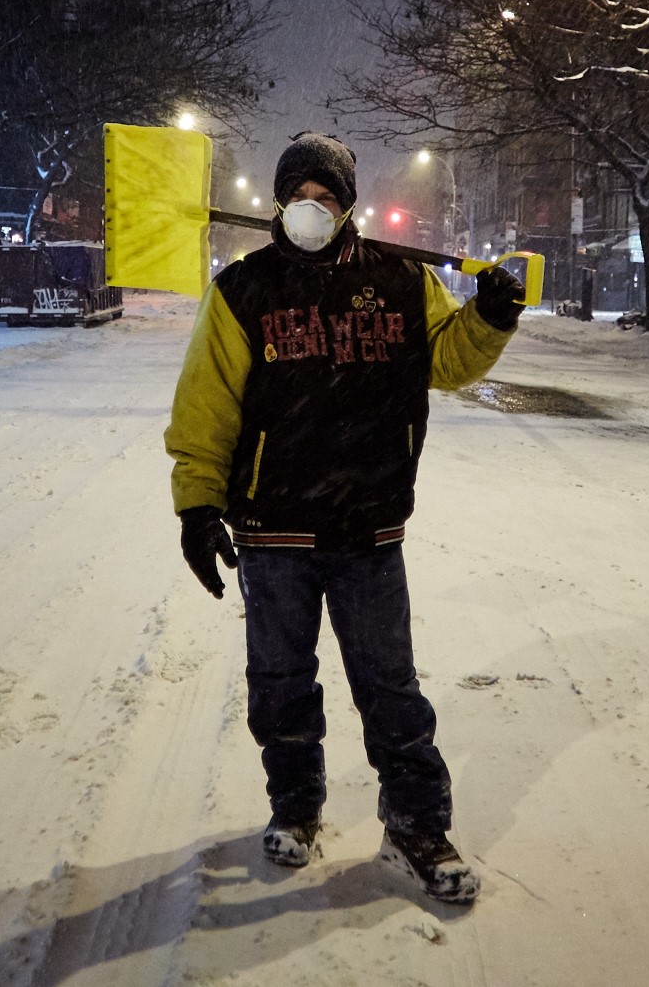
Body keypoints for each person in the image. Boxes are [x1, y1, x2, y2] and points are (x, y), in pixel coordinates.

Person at [165, 132, 523, 906]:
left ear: (348, 207)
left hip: (368, 529)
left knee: (391, 689)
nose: (311, 209)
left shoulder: (399, 280)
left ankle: (418, 824)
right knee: (280, 683)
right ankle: (296, 805)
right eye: (299, 196)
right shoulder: (243, 290)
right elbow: (205, 407)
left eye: (326, 198)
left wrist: (490, 317)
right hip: (273, 531)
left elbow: (449, 359)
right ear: (278, 202)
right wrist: (197, 506)